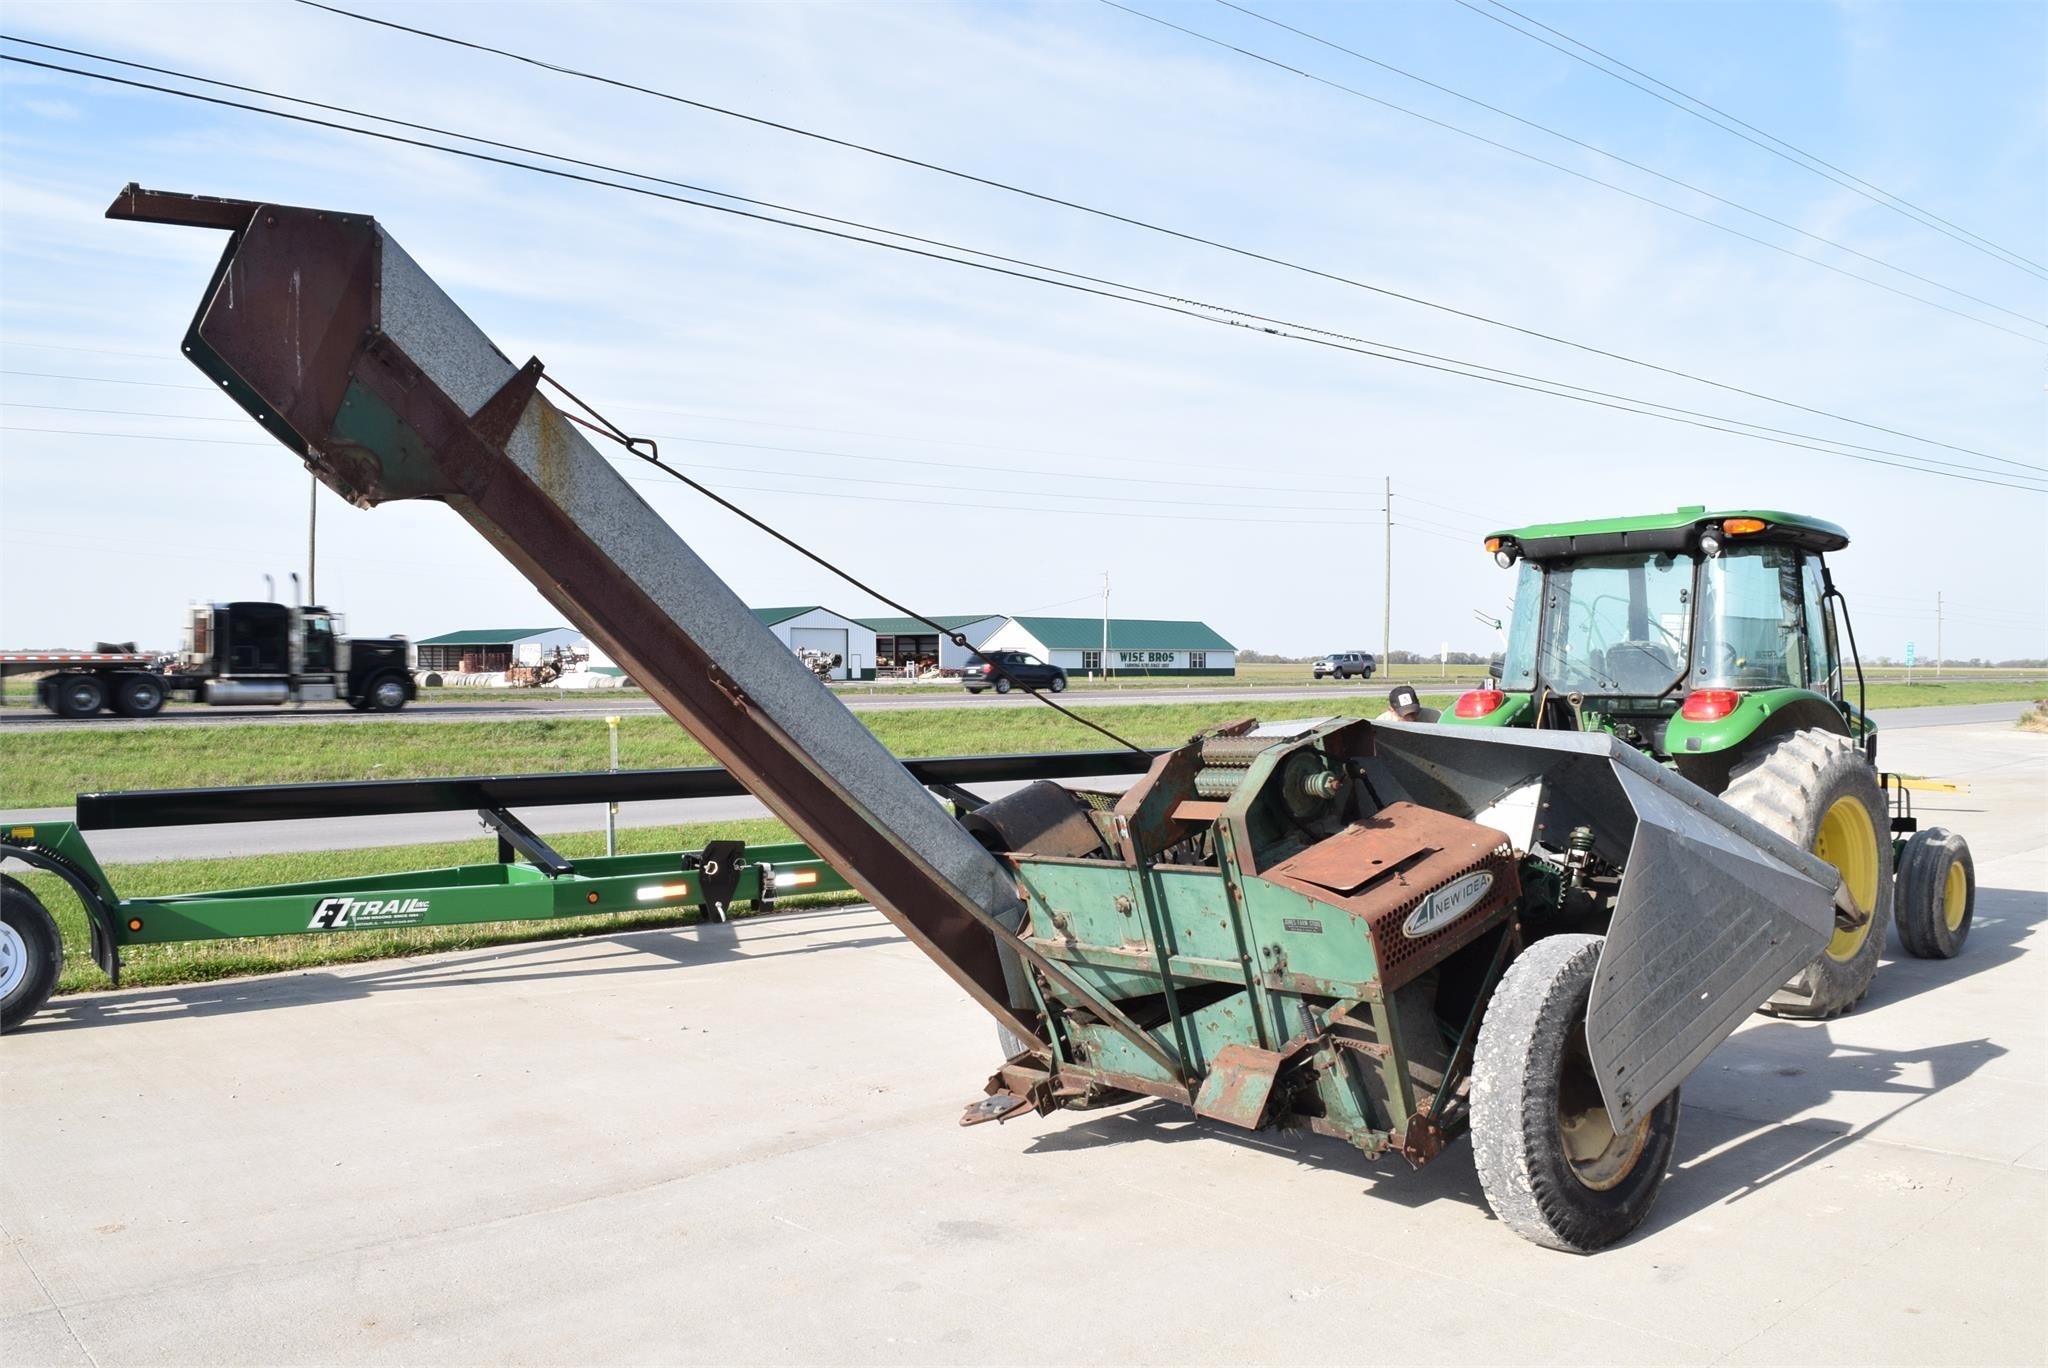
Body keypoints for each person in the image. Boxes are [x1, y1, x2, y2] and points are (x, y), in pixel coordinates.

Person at [1376, 683, 1440, 724]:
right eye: (1405, 714)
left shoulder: (1435, 716)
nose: (1411, 719)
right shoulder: (1382, 723)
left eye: (1414, 713)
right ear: (1391, 710)